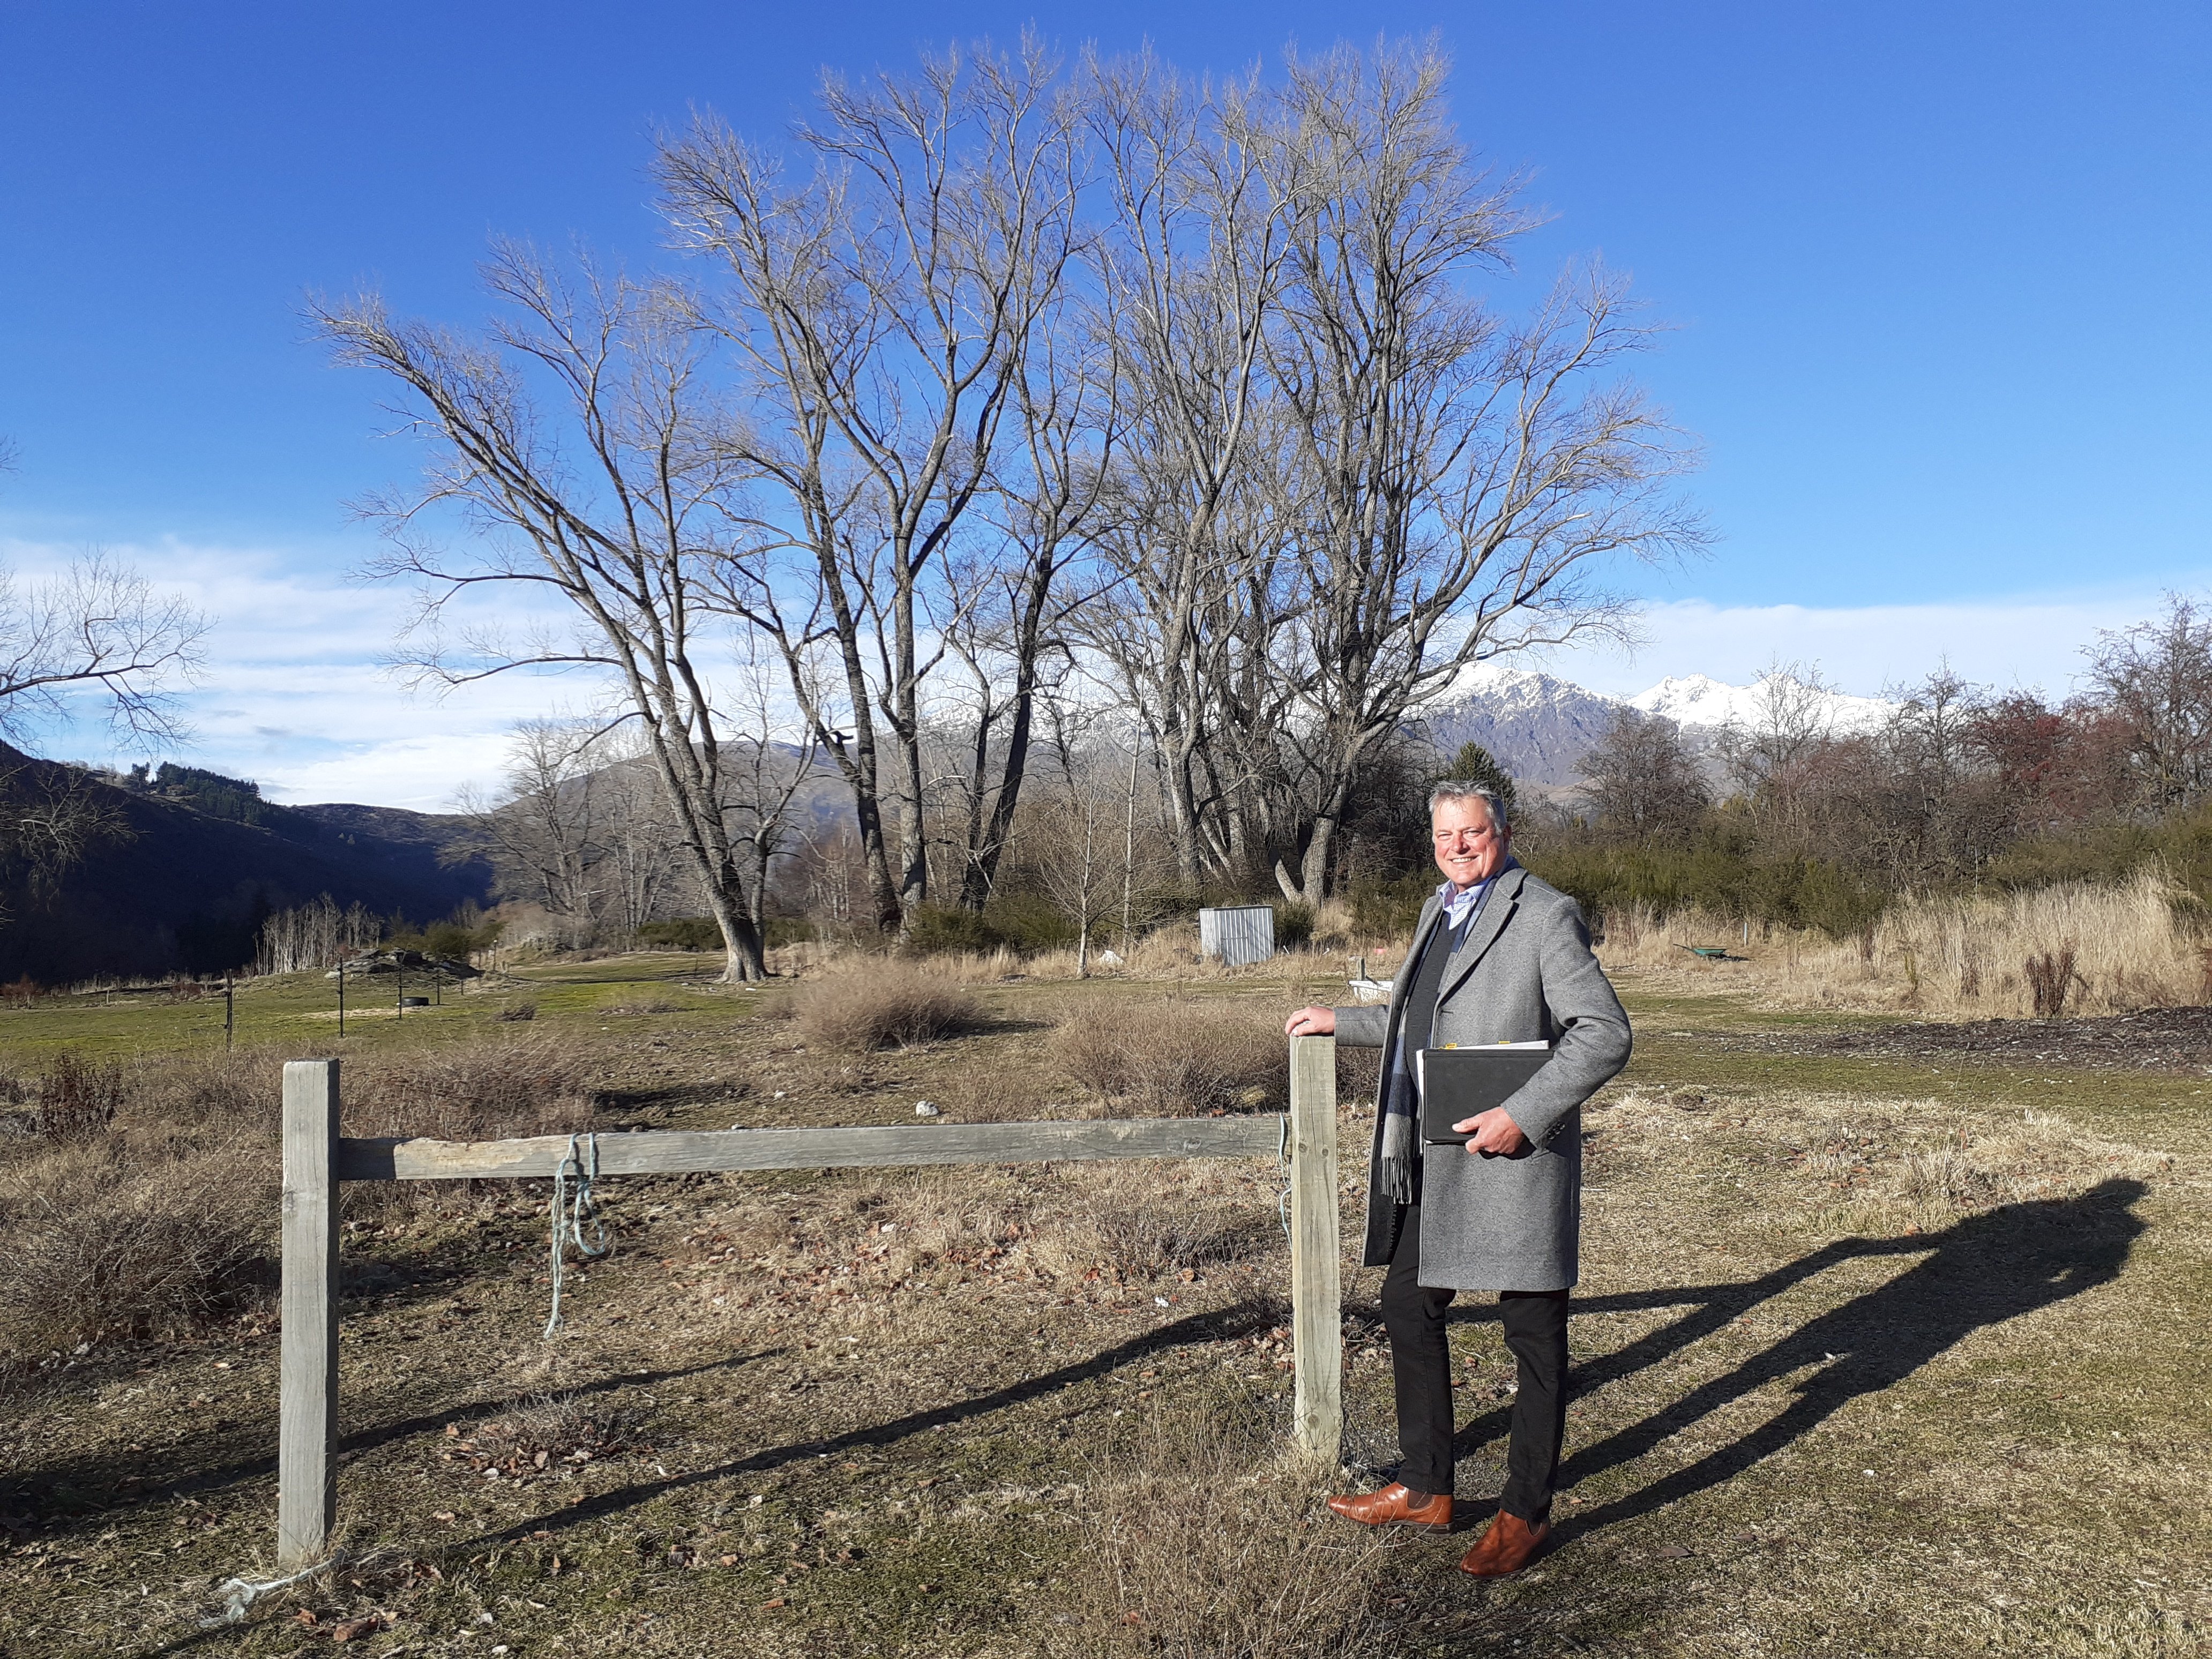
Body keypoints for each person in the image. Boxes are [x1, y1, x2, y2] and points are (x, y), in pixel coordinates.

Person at [1284, 780, 1631, 1577]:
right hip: (1435, 1162)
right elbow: (1423, 1021)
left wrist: (1524, 1112)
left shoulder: (1543, 913)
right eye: (1446, 837)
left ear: (1503, 833)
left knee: (1533, 1337)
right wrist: (1345, 1020)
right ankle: (1427, 1488)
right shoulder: (1437, 909)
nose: (1460, 847)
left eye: (1473, 833)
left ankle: (1524, 1513)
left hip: (1513, 1159)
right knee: (1406, 1304)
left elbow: (1605, 1034)